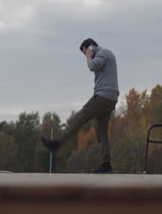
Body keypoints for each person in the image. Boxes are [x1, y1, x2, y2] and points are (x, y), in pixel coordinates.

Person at [41, 38, 119, 174]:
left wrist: (89, 57)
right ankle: (106, 165)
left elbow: (92, 66)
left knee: (80, 117)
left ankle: (56, 143)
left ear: (91, 47)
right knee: (102, 131)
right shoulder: (105, 54)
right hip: (110, 98)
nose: (85, 56)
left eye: (85, 52)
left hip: (103, 96)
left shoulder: (103, 53)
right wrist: (89, 55)